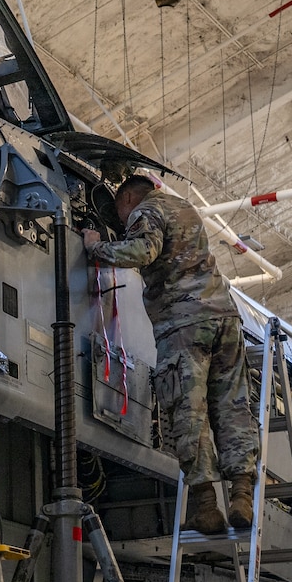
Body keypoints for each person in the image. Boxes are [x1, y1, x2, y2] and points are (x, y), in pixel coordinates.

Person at [84, 174, 258, 536]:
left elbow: (142, 251)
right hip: (225, 318)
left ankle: (207, 507)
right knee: (232, 407)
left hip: (185, 324)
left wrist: (97, 247)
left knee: (188, 409)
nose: (121, 220)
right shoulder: (185, 208)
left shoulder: (144, 211)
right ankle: (242, 497)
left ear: (128, 196)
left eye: (119, 211)